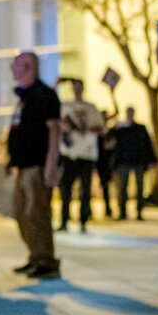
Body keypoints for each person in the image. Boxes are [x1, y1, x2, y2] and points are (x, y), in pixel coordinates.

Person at [7, 52, 63, 279]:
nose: (12, 68)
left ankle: (46, 261)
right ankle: (35, 256)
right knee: (22, 213)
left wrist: (51, 164)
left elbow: (54, 130)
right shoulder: (25, 97)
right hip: (23, 166)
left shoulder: (44, 95)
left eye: (16, 65)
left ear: (28, 67)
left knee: (37, 213)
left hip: (37, 166)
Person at [56, 78, 103, 233]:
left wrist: (87, 129)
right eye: (75, 87)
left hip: (86, 154)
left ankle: (83, 220)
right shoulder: (66, 106)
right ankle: (64, 220)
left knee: (85, 189)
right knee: (66, 189)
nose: (77, 90)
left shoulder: (91, 108)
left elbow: (100, 127)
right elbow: (57, 121)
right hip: (69, 153)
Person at [110, 107, 156, 221]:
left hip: (138, 162)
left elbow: (147, 144)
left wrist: (152, 160)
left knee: (140, 188)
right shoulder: (121, 129)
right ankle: (122, 212)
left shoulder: (140, 128)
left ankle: (139, 211)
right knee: (122, 188)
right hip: (123, 162)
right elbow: (109, 137)